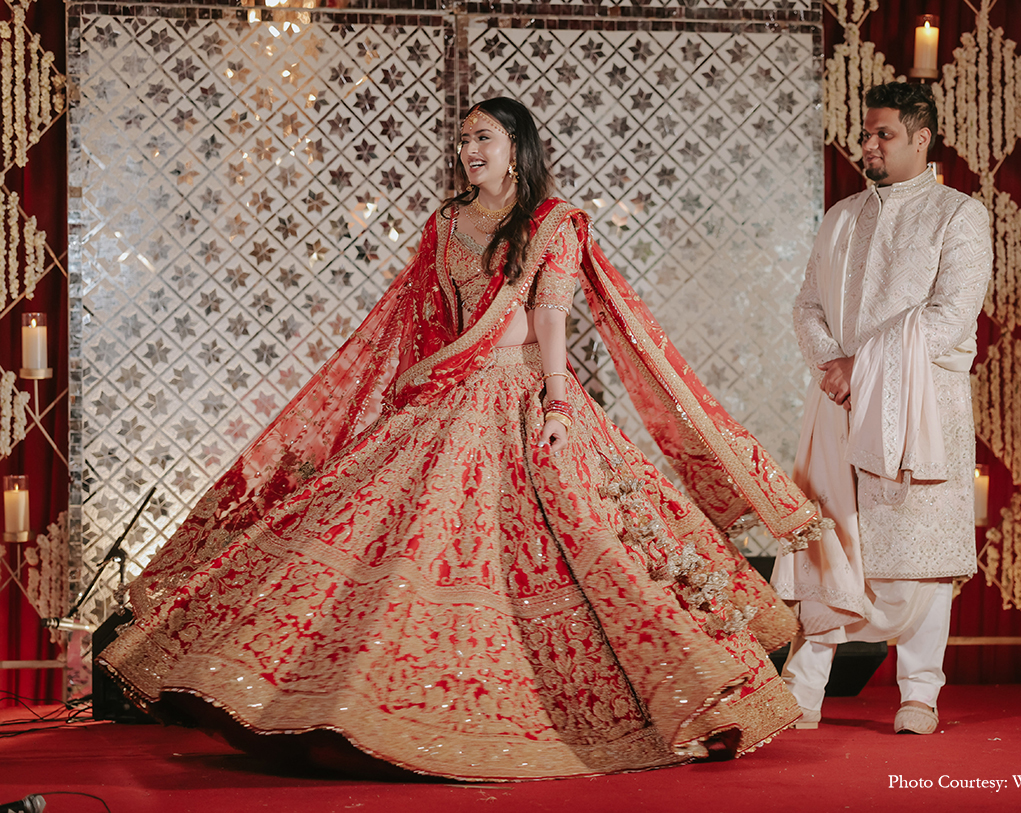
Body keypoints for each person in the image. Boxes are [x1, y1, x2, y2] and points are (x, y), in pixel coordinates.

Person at [100, 97, 850, 781]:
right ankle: (352, 702)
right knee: (398, 539)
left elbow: (553, 318)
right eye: (462, 141)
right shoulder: (446, 222)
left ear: (517, 147)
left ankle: (664, 692)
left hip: (527, 397)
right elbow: (426, 320)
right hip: (452, 402)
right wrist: (419, 394)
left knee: (585, 542)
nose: (469, 152)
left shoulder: (554, 221)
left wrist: (558, 406)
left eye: (482, 139)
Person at [770, 82, 992, 735]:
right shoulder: (841, 216)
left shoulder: (959, 215)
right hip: (839, 402)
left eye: (883, 134)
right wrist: (832, 368)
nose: (867, 144)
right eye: (866, 133)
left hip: (920, 404)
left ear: (921, 139)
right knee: (828, 542)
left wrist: (857, 368)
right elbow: (807, 305)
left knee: (916, 544)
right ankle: (802, 690)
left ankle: (919, 692)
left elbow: (951, 317)